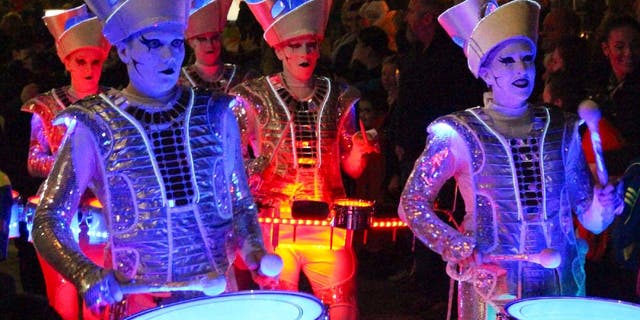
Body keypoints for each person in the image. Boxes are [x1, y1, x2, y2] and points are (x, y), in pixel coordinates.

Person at [31, 0, 277, 318]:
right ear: (123, 52)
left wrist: (254, 250)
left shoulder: (217, 112)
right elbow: (48, 218)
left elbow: (240, 204)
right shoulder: (94, 122)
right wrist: (84, 272)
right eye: (153, 44)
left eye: (176, 43)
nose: (169, 55)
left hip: (217, 294)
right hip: (141, 300)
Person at [399, 1, 624, 319]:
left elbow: (591, 219)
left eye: (527, 59)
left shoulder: (563, 128)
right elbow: (411, 203)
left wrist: (603, 204)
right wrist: (458, 247)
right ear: (486, 72)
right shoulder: (459, 132)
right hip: (492, 285)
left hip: (560, 286)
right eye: (507, 60)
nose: (521, 69)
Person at [230, 0, 367, 318]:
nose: (305, 53)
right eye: (296, 46)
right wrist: (256, 169)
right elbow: (232, 163)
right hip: (276, 224)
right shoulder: (252, 97)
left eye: (311, 46)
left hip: (329, 225)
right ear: (280, 51)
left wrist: (359, 152)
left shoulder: (340, 96)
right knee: (279, 307)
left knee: (342, 304)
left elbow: (351, 167)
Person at [20, 6, 112, 319]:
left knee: (100, 299)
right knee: (62, 296)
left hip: (105, 214)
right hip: (58, 214)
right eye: (80, 61)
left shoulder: (115, 104)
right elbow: (34, 161)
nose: (89, 68)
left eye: (95, 61)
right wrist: (77, 167)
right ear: (66, 61)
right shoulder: (46, 106)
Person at [180, 0, 253, 93]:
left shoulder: (242, 77)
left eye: (214, 38)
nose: (210, 44)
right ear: (191, 42)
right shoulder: (179, 82)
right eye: (202, 39)